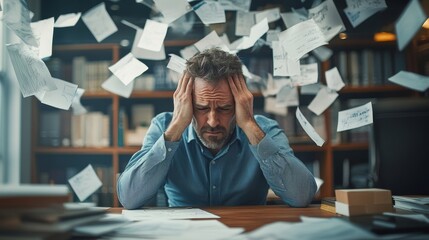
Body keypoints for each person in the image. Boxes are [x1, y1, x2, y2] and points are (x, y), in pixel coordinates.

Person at [117, 48, 317, 209]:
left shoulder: (264, 130)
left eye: (225, 108)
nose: (213, 121)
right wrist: (176, 127)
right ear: (186, 102)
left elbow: (301, 196)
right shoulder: (164, 126)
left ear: (241, 103)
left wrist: (249, 125)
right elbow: (129, 198)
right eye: (201, 108)